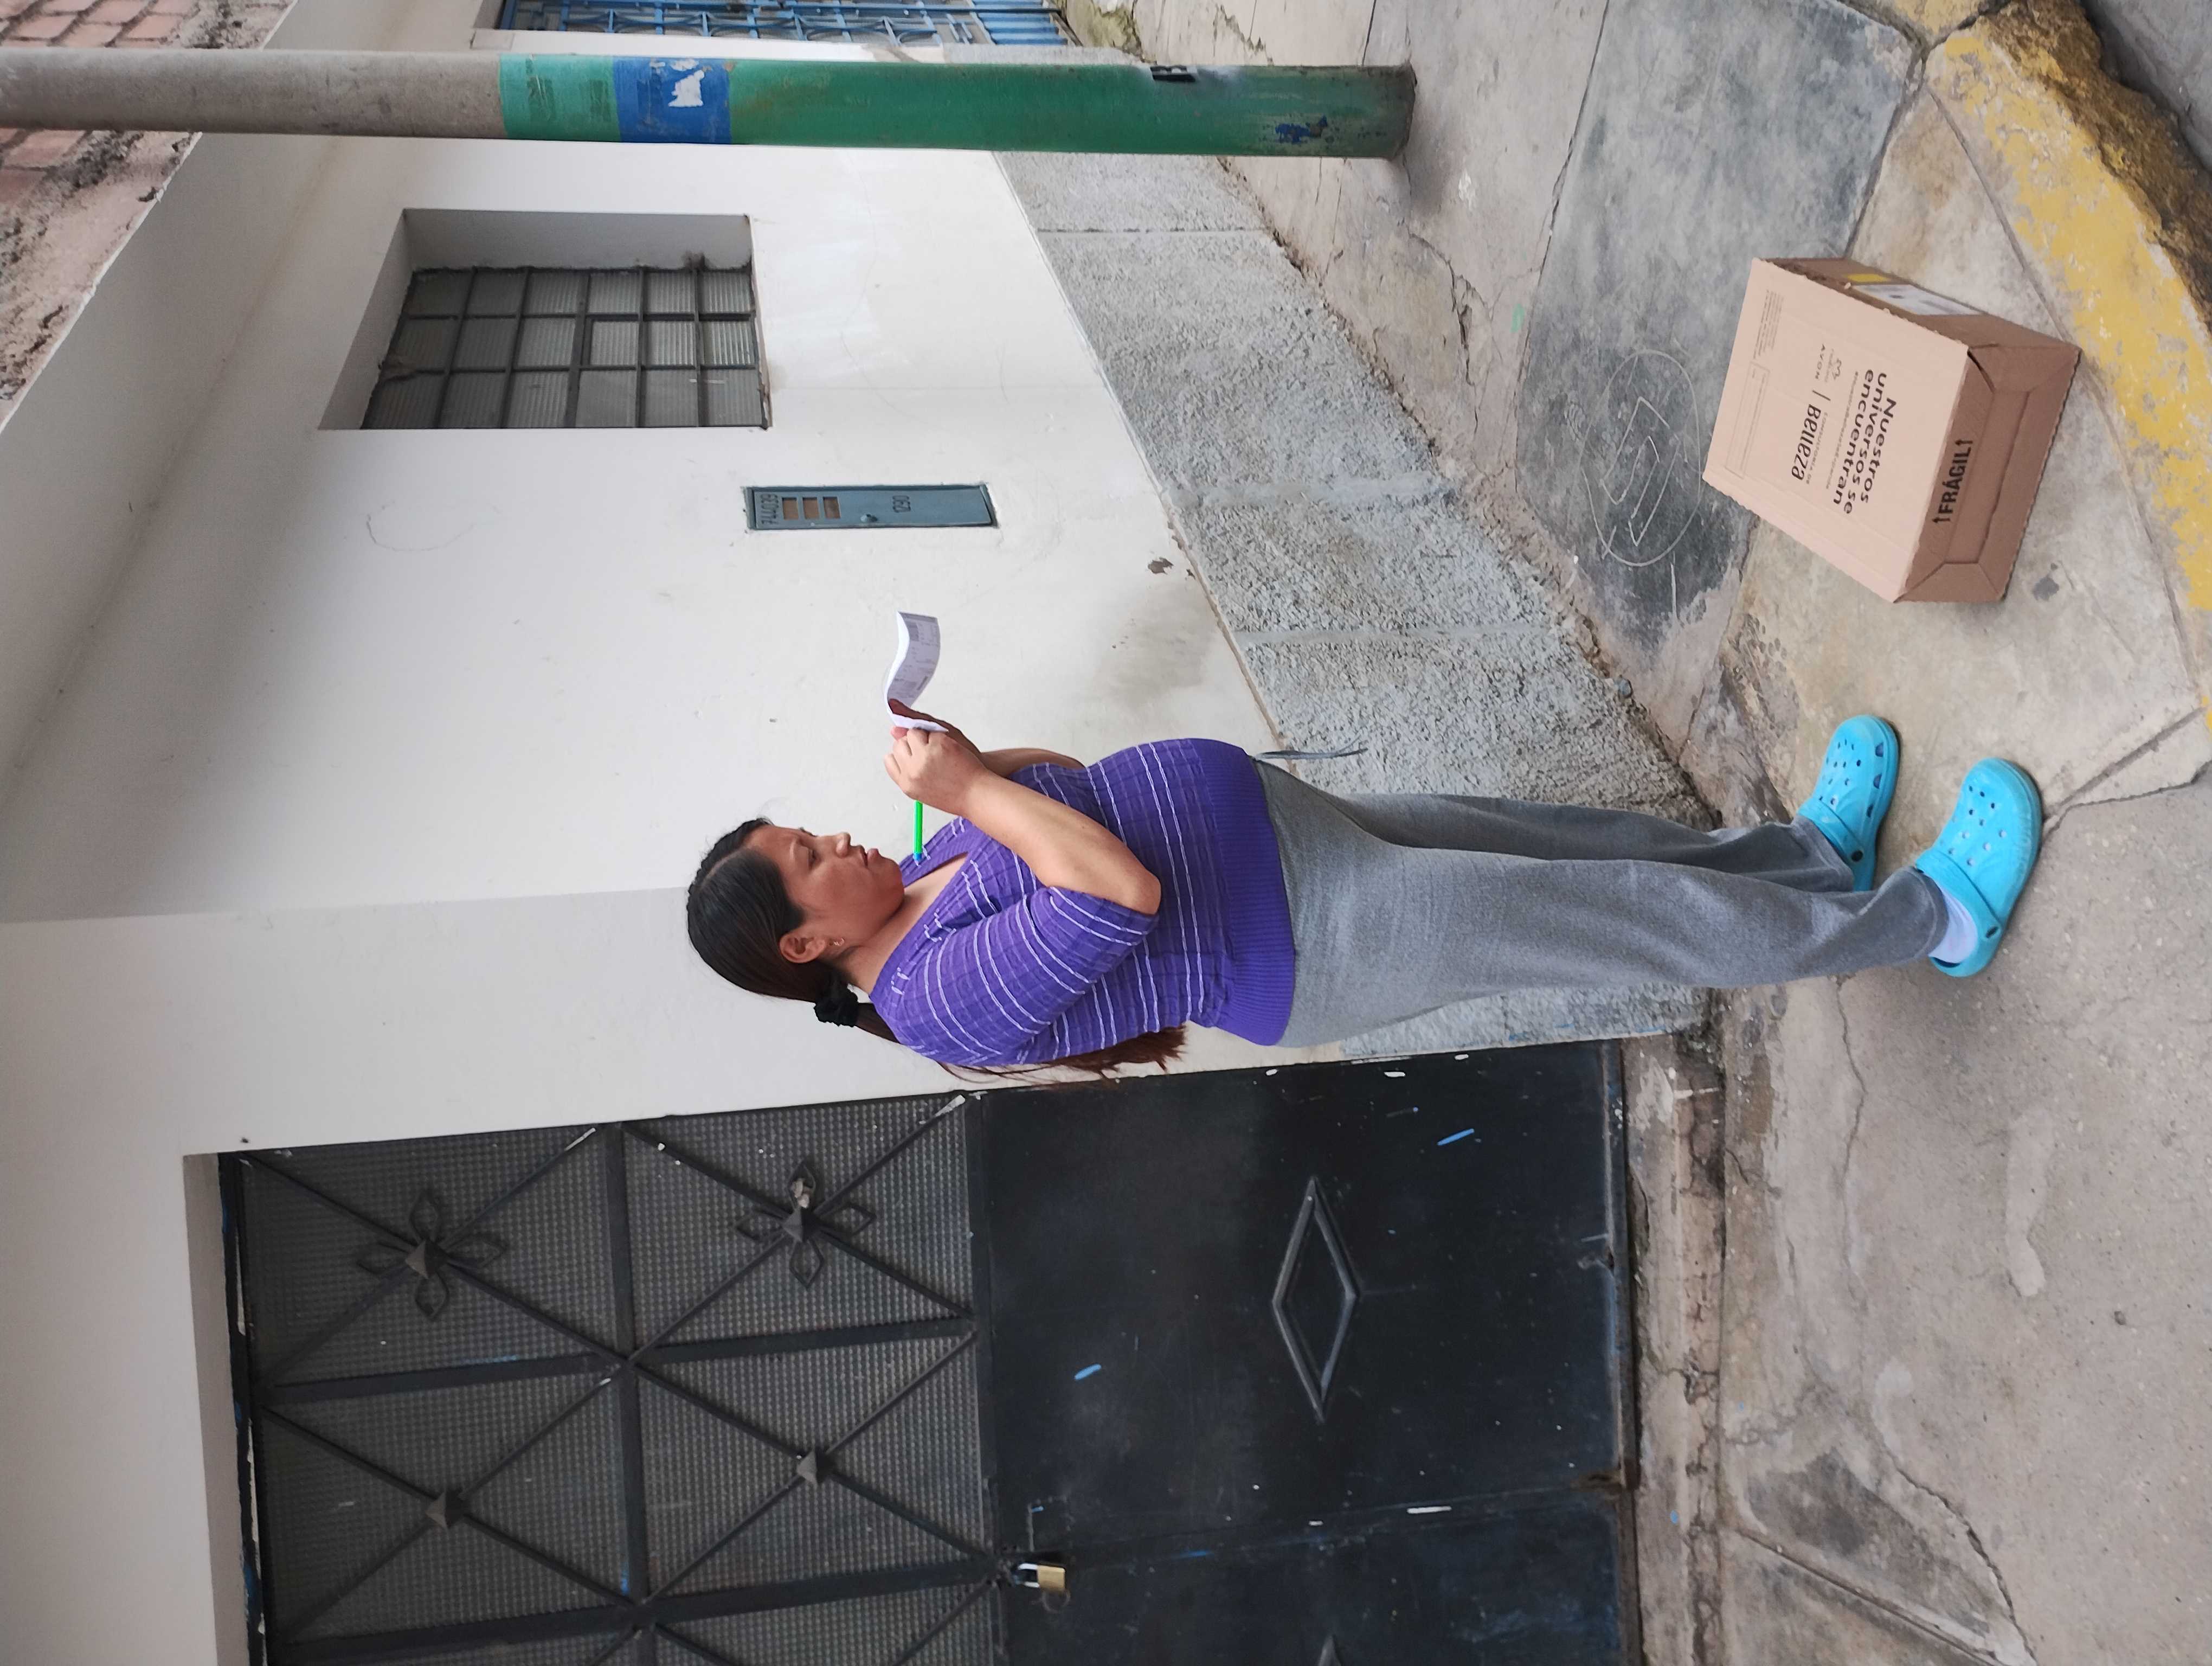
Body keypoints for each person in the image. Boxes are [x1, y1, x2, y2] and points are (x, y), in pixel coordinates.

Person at [685, 710, 2041, 1072]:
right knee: (1622, 921)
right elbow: (1112, 898)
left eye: (812, 832)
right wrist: (973, 794)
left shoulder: (921, 877)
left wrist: (972, 768)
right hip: (1315, 939)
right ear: (803, 944)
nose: (837, 842)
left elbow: (1068, 796)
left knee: (1573, 851)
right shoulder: (934, 1004)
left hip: (1293, 841)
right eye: (811, 861)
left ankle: (1810, 864)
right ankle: (1933, 921)